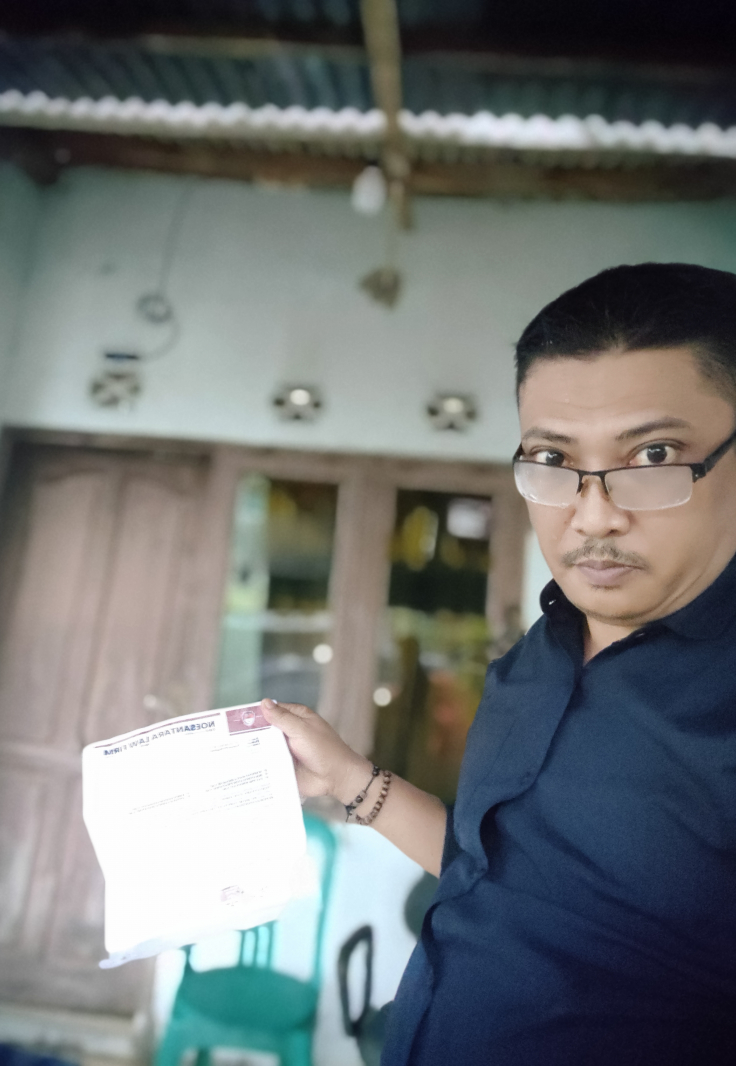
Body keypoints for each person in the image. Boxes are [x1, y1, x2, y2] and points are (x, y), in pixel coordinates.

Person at [262, 262, 736, 1065]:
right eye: (552, 457)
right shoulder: (537, 657)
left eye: (653, 453)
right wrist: (347, 777)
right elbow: (491, 874)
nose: (592, 515)